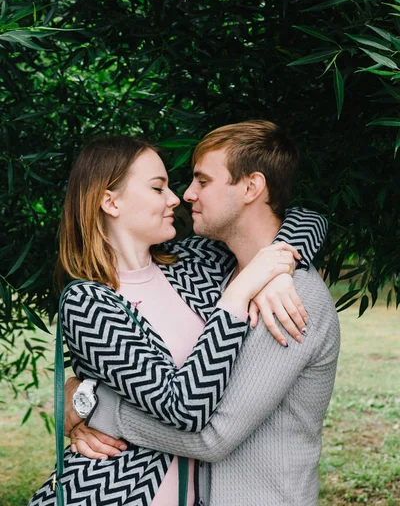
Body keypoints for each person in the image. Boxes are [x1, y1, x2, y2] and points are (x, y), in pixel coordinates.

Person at [28, 134, 324, 506]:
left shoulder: (192, 265)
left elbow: (304, 219)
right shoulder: (88, 301)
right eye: (158, 188)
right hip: (110, 492)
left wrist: (281, 267)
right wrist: (235, 297)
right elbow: (184, 409)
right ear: (110, 202)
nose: (175, 199)